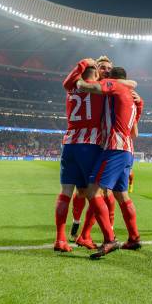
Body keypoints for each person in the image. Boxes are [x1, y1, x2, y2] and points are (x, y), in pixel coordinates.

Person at [77, 67, 142, 258]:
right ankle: (134, 237)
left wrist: (80, 78)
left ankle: (109, 239)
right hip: (127, 149)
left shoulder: (115, 87)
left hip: (114, 147)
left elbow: (86, 87)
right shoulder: (133, 96)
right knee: (121, 195)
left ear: (113, 79)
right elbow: (135, 132)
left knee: (93, 191)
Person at [54, 59, 105, 252]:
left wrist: (80, 66)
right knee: (96, 193)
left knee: (66, 192)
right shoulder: (99, 88)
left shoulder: (72, 89)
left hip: (69, 144)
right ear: (97, 73)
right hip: (90, 146)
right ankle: (87, 235)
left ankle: (60, 239)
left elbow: (67, 82)